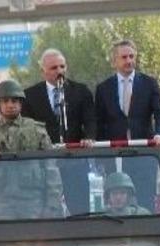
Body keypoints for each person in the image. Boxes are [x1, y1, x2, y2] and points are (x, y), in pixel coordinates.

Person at [0, 79, 62, 221]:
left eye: (14, 101)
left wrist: (52, 206)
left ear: (21, 104)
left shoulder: (36, 130)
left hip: (33, 201)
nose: (10, 105)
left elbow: (51, 169)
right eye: (5, 101)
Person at [23, 48, 97, 215]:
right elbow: (28, 127)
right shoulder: (30, 95)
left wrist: (89, 137)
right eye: (54, 68)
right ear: (43, 71)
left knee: (80, 210)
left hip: (75, 162)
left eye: (62, 67)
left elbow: (90, 120)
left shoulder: (81, 91)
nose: (59, 71)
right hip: (45, 164)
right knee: (48, 210)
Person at [95, 39, 160, 208]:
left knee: (145, 201)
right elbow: (99, 122)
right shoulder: (103, 88)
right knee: (117, 204)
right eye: (124, 57)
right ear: (114, 61)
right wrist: (100, 155)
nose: (129, 61)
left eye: (131, 56)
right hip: (115, 157)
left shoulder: (149, 84)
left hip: (143, 155)